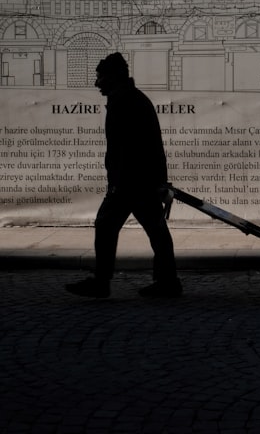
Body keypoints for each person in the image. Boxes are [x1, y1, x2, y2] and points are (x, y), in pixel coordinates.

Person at [65, 52, 182, 299]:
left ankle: (102, 282)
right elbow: (151, 146)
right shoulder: (131, 99)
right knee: (155, 230)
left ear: (114, 77)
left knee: (109, 226)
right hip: (140, 182)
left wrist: (119, 184)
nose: (97, 83)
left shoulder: (126, 103)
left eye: (100, 77)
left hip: (132, 183)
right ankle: (167, 281)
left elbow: (129, 149)